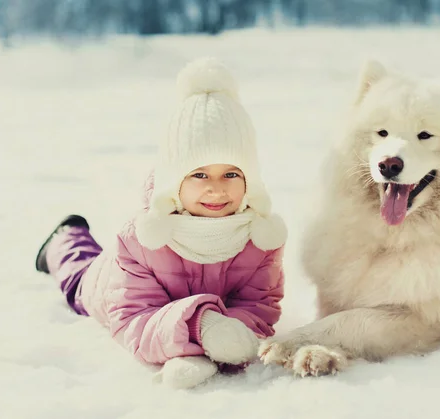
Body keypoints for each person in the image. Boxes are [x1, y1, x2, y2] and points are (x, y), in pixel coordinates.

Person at [34, 58, 287, 389]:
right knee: (77, 272)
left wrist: (219, 342)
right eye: (199, 174)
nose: (216, 187)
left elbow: (258, 308)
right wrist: (201, 327)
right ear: (173, 180)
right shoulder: (141, 241)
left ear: (249, 180)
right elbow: (132, 321)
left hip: (172, 321)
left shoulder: (260, 241)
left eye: (231, 173)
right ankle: (66, 236)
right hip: (103, 288)